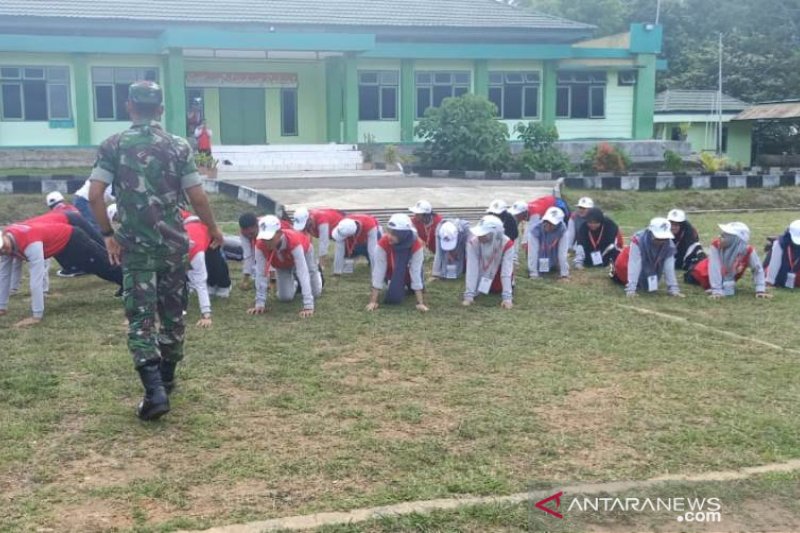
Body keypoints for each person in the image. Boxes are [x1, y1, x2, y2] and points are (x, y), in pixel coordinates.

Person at [88, 80, 223, 421]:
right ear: (161, 109)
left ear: (129, 106)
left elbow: (94, 195)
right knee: (173, 314)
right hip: (173, 247)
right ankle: (167, 378)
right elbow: (197, 197)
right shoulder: (179, 147)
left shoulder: (113, 145)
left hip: (136, 248)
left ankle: (154, 392)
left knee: (141, 319)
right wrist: (213, 228)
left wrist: (107, 234)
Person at [0, 221, 122, 327]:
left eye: (3, 248)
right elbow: (4, 275)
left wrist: (36, 316)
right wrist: (2, 307)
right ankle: (128, 284)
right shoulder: (7, 241)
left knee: (105, 266)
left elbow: (36, 280)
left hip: (74, 239)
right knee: (96, 267)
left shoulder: (31, 244)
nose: (4, 251)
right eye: (1, 251)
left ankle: (134, 284)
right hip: (61, 247)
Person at [248, 215, 322, 318]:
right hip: (282, 264)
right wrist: (260, 304)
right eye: (263, 238)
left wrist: (308, 305)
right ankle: (295, 282)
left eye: (269, 238)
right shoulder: (260, 246)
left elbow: (303, 271)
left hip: (304, 254)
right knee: (285, 297)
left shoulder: (293, 241)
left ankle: (317, 271)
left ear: (279, 233)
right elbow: (261, 273)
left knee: (316, 293)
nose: (266, 242)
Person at [686, 222, 770, 299]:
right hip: (702, 275)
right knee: (691, 276)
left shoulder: (748, 250)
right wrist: (717, 290)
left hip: (726, 280)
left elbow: (757, 269)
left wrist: (760, 289)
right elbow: (714, 268)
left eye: (725, 236)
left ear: (735, 240)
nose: (720, 237)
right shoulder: (716, 245)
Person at [366, 214, 427, 312]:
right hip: (391, 274)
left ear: (403, 234)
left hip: (410, 275)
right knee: (395, 296)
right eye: (389, 232)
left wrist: (420, 303)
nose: (389, 236)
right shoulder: (382, 243)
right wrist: (373, 301)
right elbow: (378, 271)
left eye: (394, 234)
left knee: (414, 284)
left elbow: (415, 272)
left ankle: (412, 288)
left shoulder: (416, 245)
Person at [612, 217, 683, 298]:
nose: (661, 241)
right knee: (623, 272)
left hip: (650, 269)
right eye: (658, 238)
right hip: (626, 264)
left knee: (647, 288)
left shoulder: (669, 245)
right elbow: (634, 263)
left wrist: (673, 289)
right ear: (650, 232)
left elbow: (669, 268)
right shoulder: (638, 240)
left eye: (664, 238)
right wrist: (631, 289)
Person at [184, 214, 231, 328]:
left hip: (208, 236)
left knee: (213, 263)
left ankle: (224, 285)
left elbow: (201, 284)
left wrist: (206, 315)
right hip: (186, 227)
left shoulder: (197, 255)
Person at [463, 215, 515, 309]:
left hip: (498, 275)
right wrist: (469, 295)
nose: (479, 236)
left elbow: (506, 272)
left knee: (496, 288)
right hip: (481, 272)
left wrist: (507, 298)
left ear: (494, 234)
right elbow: (472, 267)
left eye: (484, 234)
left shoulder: (507, 244)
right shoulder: (473, 242)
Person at [527, 206, 570, 280]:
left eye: (552, 223)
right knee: (535, 258)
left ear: (559, 223)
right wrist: (533, 273)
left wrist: (564, 274)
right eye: (547, 221)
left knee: (560, 261)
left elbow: (562, 253)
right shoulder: (535, 229)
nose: (548, 225)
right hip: (539, 258)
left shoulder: (563, 230)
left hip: (554, 256)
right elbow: (532, 252)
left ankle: (555, 265)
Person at [765, 220, 800, 290]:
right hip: (781, 272)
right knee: (767, 271)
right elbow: (774, 263)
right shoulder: (780, 243)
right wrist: (770, 282)